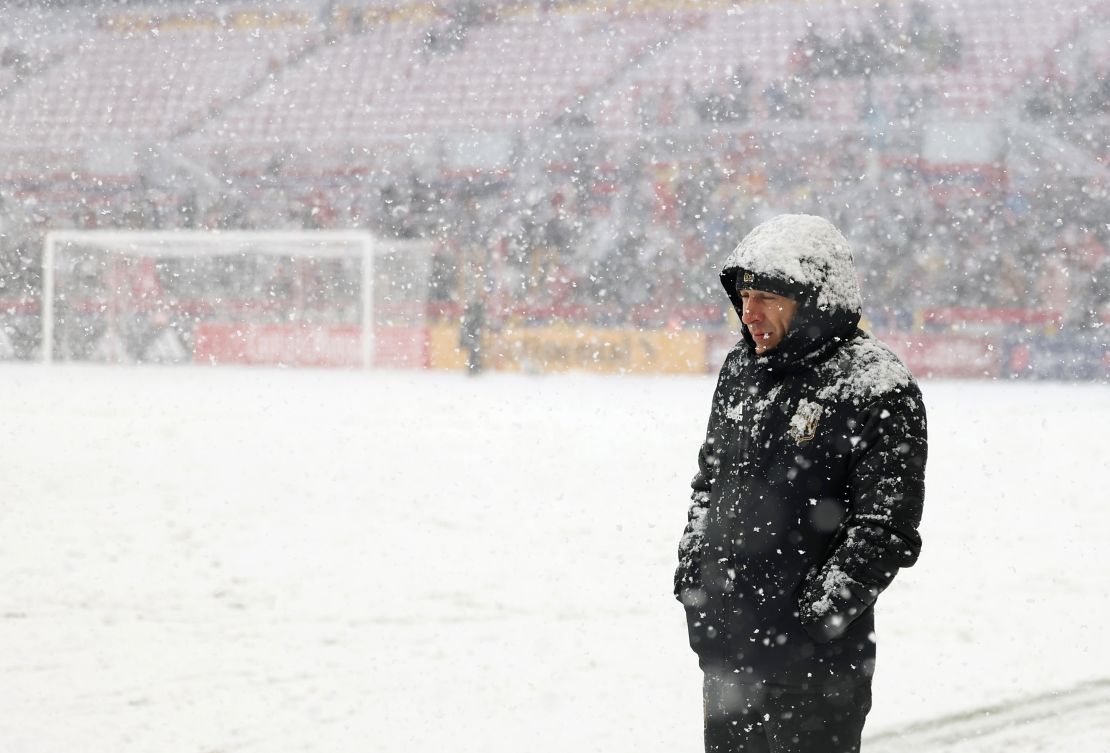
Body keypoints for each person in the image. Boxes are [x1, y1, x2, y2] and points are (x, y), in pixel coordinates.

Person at [674, 214, 927, 753]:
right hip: (728, 657)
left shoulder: (878, 386)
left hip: (817, 674)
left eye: (768, 296)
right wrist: (695, 583)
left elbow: (886, 528)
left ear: (814, 299)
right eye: (745, 294)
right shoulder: (741, 368)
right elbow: (708, 484)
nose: (750, 312)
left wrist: (814, 619)